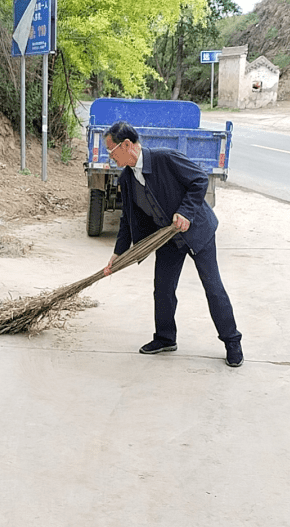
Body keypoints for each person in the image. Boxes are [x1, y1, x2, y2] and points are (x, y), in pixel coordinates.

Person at [101, 121, 243, 367]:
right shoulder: (126, 178)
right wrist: (118, 253)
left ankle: (232, 342)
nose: (109, 156)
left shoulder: (165, 158)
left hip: (198, 230)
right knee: (163, 289)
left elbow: (199, 179)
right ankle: (165, 338)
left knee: (213, 287)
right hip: (167, 237)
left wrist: (186, 212)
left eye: (111, 150)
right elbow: (128, 218)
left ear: (126, 145)